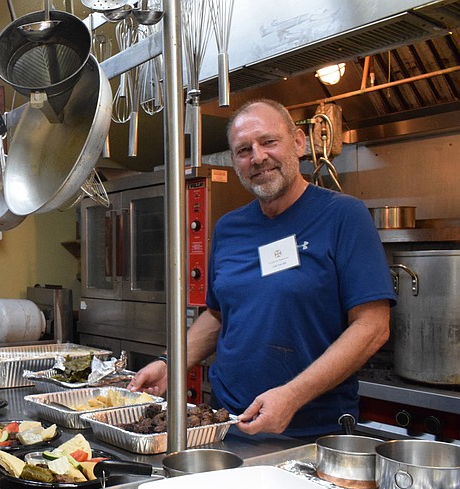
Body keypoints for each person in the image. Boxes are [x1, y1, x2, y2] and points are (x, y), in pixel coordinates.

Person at [128, 99, 395, 438]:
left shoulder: (344, 216)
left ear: (298, 142)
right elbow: (219, 314)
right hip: (225, 424)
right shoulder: (229, 227)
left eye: (268, 141)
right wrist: (172, 366)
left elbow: (373, 326)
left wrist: (293, 395)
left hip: (311, 431)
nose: (257, 157)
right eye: (243, 150)